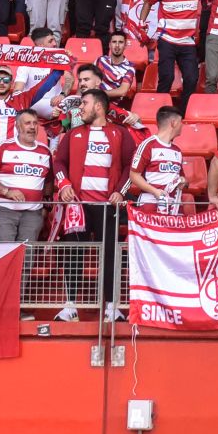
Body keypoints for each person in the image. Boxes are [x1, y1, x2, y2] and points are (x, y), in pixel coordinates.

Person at [51, 89, 134, 323]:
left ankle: (111, 307)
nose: (81, 109)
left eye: (85, 103)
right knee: (72, 254)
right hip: (78, 207)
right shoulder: (74, 133)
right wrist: (64, 184)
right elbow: (58, 162)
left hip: (108, 206)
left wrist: (120, 191)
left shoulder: (120, 133)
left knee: (110, 255)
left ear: (99, 106)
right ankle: (70, 306)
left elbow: (131, 166)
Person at [0, 108, 54, 243]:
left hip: (33, 213)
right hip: (4, 210)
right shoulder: (3, 147)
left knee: (27, 257)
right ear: (17, 126)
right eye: (27, 123)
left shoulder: (45, 151)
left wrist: (46, 206)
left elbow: (49, 181)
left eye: (35, 123)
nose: (32, 127)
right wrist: (6, 191)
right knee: (5, 255)